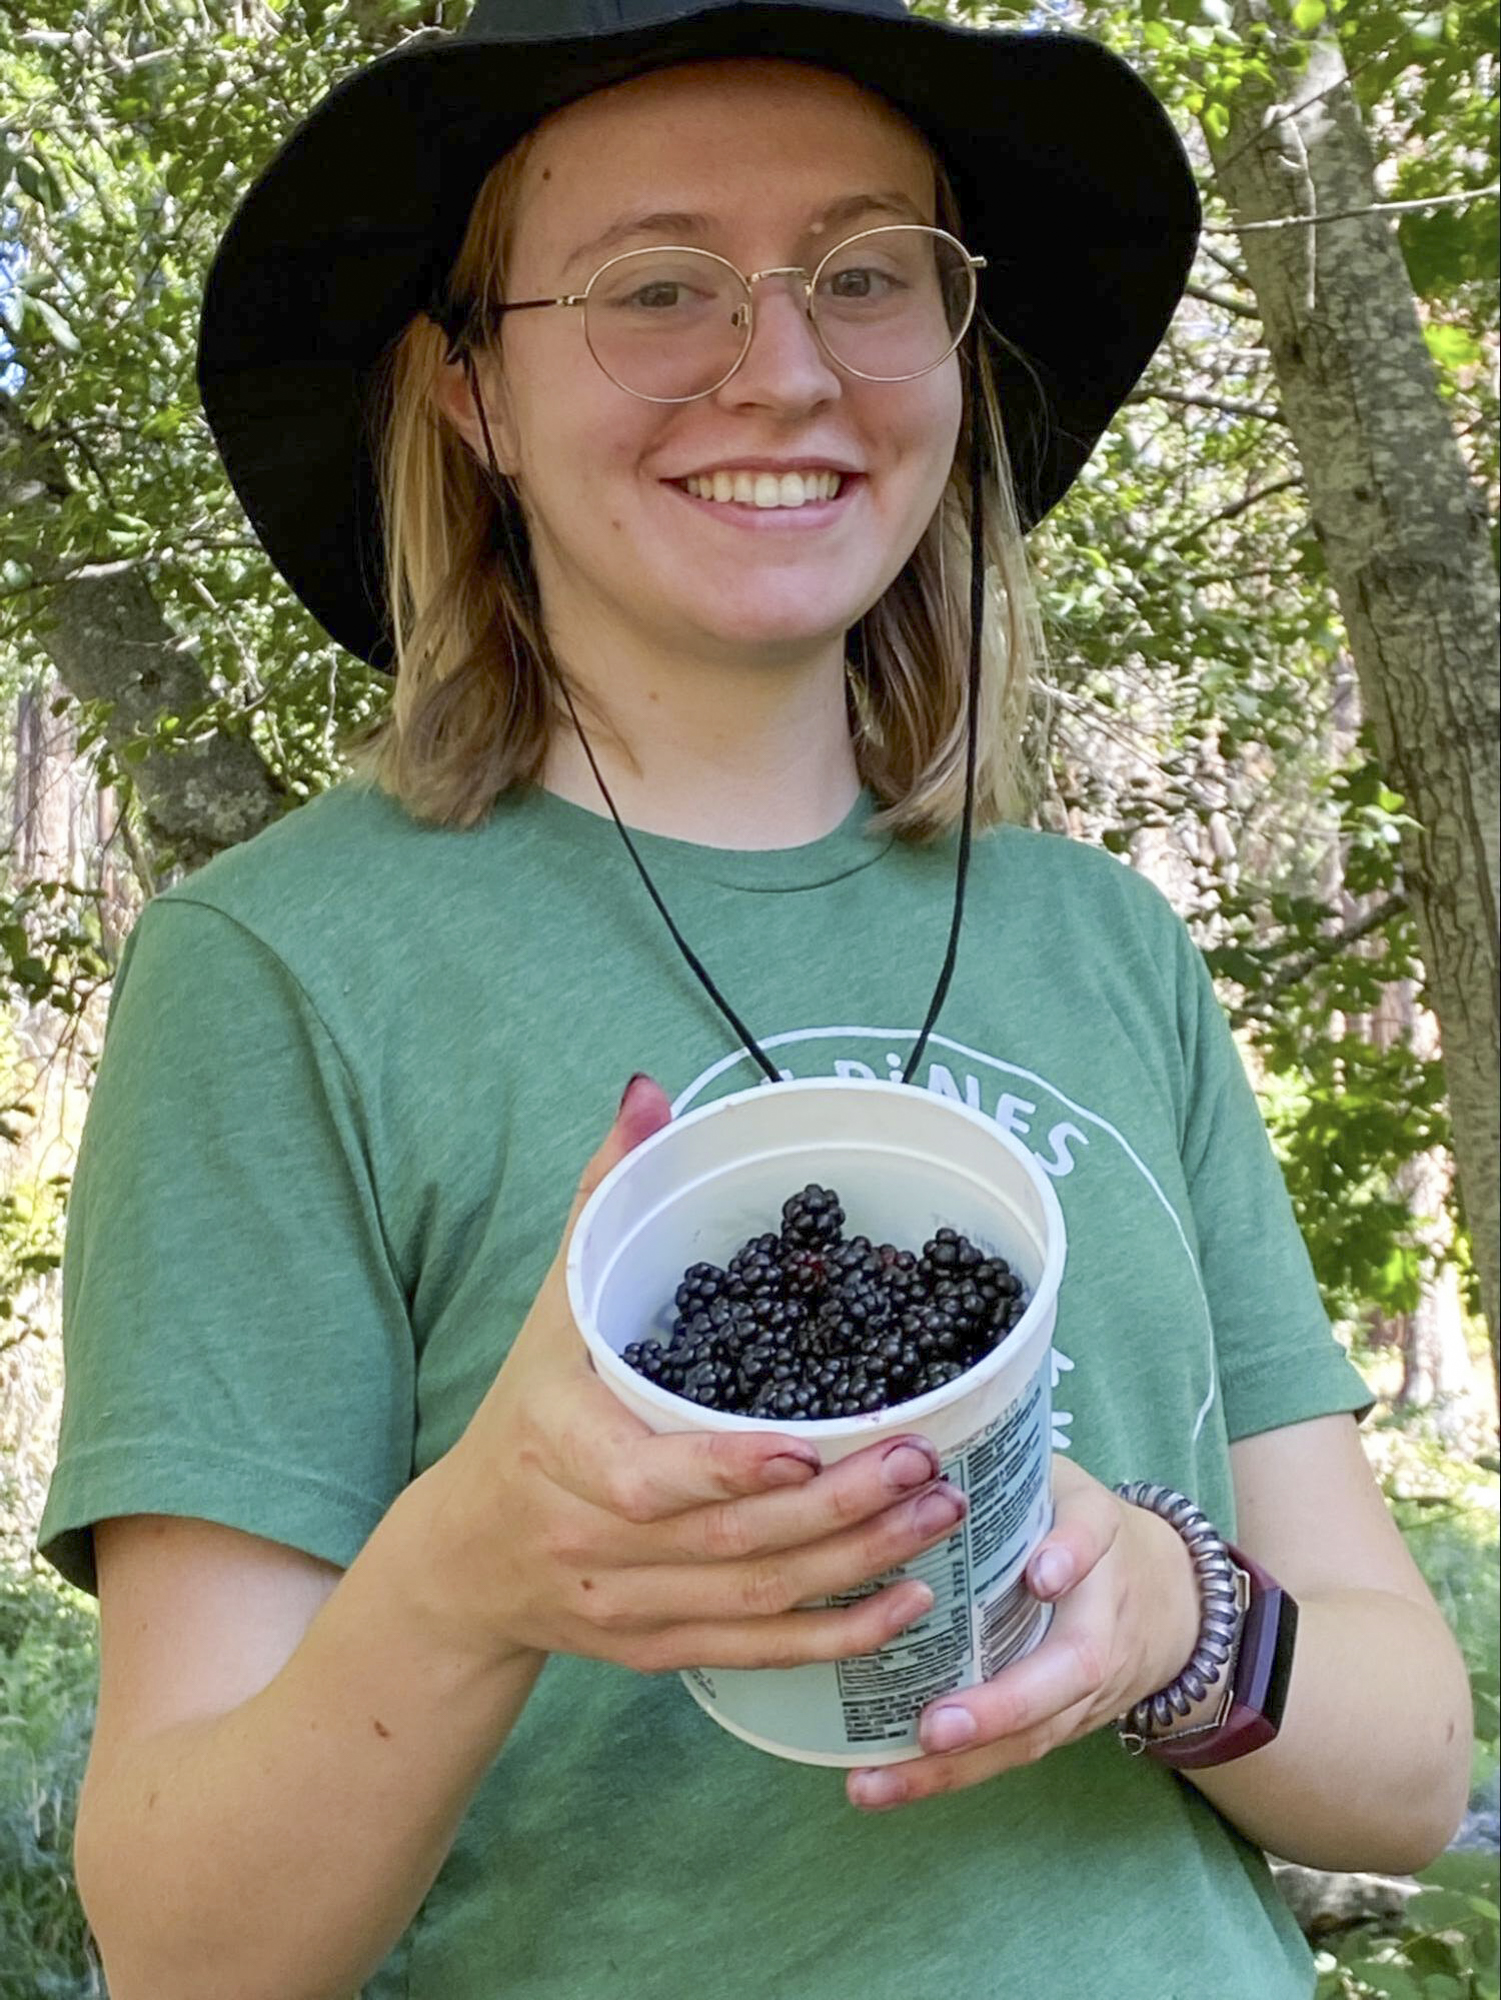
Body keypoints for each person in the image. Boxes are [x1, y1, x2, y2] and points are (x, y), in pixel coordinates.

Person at [38, 4, 1473, 1997]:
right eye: (656, 285)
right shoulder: (283, 974)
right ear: (471, 392)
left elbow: (1406, 1773)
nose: (780, 363)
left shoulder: (1102, 941)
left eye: (868, 272)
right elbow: (188, 1942)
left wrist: (1167, 1614)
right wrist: (474, 1573)